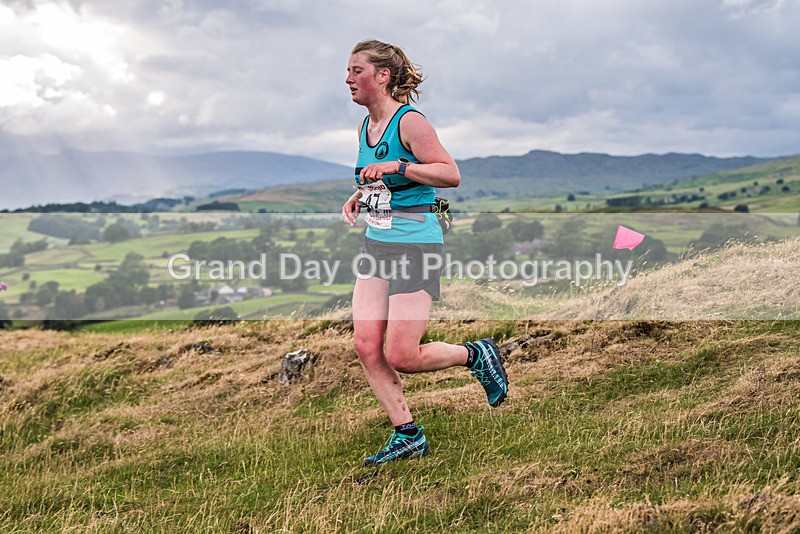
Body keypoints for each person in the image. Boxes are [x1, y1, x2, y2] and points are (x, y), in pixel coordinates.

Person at [341, 39, 509, 466]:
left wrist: (397, 167)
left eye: (356, 70)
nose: (348, 79)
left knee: (403, 354)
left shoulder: (409, 121)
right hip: (377, 243)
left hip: (416, 244)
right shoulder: (366, 127)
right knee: (365, 345)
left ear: (382, 76)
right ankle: (407, 434)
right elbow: (382, 180)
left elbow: (449, 174)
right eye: (348, 71)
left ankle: (476, 355)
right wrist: (361, 195)